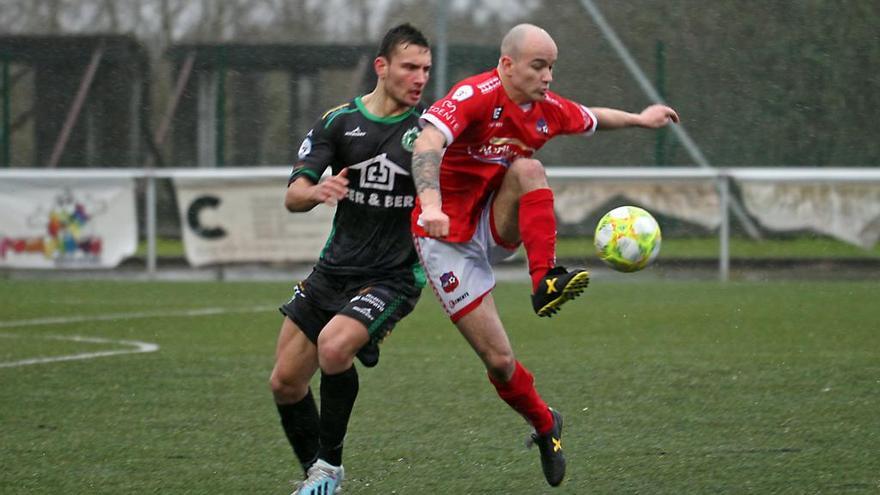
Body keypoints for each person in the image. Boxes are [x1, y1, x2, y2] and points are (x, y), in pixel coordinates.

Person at [410, 23, 679, 487]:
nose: (548, 76)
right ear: (508, 64)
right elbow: (428, 142)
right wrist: (430, 204)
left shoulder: (545, 110)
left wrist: (641, 118)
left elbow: (592, 117)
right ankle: (545, 423)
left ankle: (544, 279)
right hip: (445, 237)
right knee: (498, 361)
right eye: (539, 66)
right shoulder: (475, 94)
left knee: (529, 167)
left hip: (494, 222)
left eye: (552, 67)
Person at [269, 23, 431, 495]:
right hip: (333, 271)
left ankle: (330, 468)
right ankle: (319, 479)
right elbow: (293, 195)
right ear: (381, 67)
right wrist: (317, 190)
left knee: (335, 347)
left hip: (392, 277)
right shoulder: (339, 122)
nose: (419, 77)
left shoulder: (427, 134)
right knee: (284, 383)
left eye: (425, 69)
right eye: (409, 67)